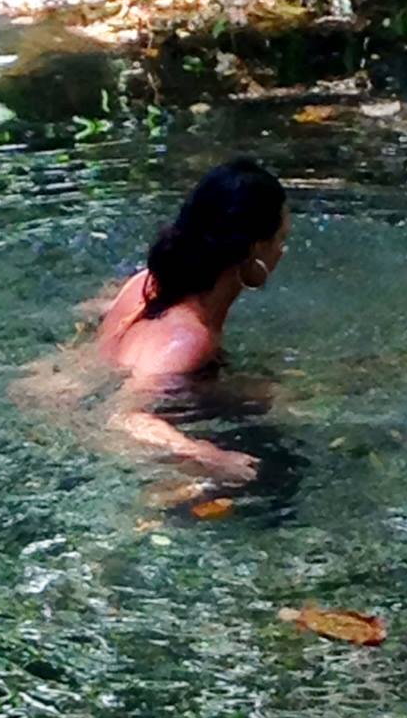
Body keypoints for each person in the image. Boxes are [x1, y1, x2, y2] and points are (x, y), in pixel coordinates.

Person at [94, 158, 289, 483]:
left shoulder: (147, 282)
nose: (282, 253)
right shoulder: (187, 340)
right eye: (281, 240)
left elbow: (98, 312)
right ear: (255, 250)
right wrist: (209, 457)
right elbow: (121, 418)